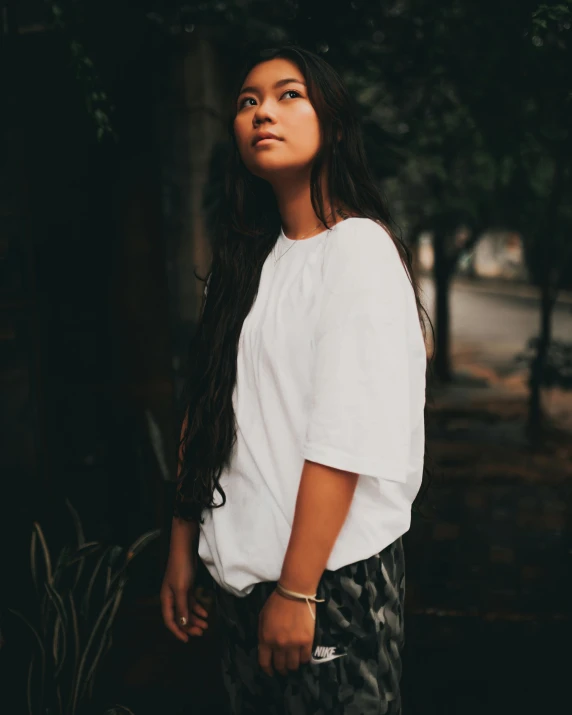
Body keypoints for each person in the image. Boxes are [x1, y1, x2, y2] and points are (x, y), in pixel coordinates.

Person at [160, 44, 432, 715]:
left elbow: (345, 435)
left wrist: (298, 590)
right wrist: (182, 543)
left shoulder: (357, 250)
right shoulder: (246, 265)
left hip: (327, 591)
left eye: (288, 95)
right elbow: (207, 406)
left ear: (332, 125)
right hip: (244, 591)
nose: (261, 112)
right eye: (247, 101)